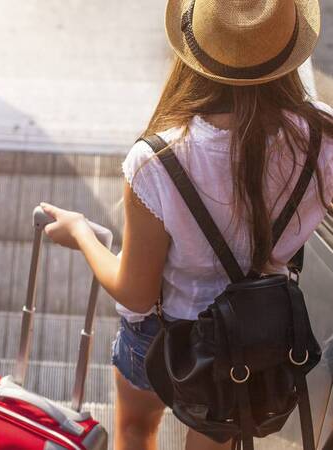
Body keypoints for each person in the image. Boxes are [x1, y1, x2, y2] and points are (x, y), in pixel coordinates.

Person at [39, 0, 333, 449]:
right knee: (215, 435)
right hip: (255, 334)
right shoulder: (321, 136)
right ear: (289, 50)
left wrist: (81, 232)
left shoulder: (156, 161)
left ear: (193, 50)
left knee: (137, 429)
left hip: (164, 334)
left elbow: (136, 291)